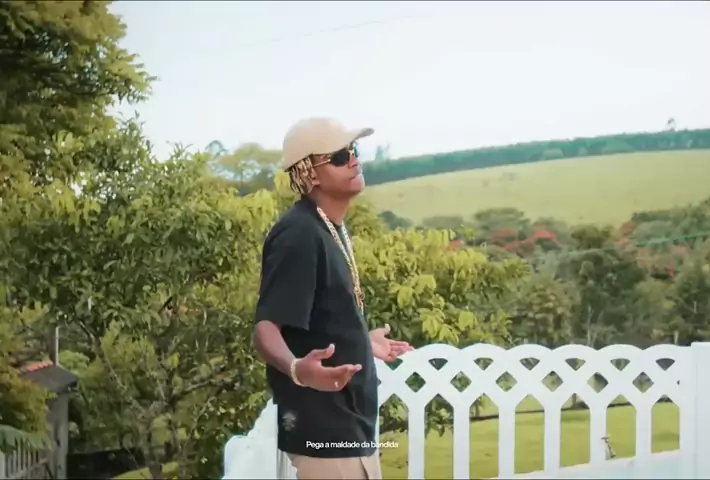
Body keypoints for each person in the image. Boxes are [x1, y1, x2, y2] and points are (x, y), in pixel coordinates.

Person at [252, 117, 413, 479]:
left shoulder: (328, 226)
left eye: (353, 150)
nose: (354, 159)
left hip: (349, 431)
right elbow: (265, 329)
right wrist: (298, 369)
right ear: (309, 172)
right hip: (324, 435)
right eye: (339, 156)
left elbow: (320, 319)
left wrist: (361, 341)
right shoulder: (298, 233)